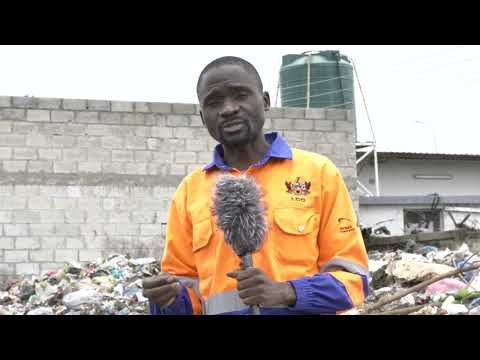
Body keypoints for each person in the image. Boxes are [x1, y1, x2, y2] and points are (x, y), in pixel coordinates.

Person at [143, 56, 369, 315]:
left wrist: (288, 292)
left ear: (265, 101)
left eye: (240, 95)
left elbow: (354, 281)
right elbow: (185, 291)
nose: (228, 109)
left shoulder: (318, 173)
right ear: (203, 117)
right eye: (214, 102)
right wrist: (168, 298)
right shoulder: (189, 191)